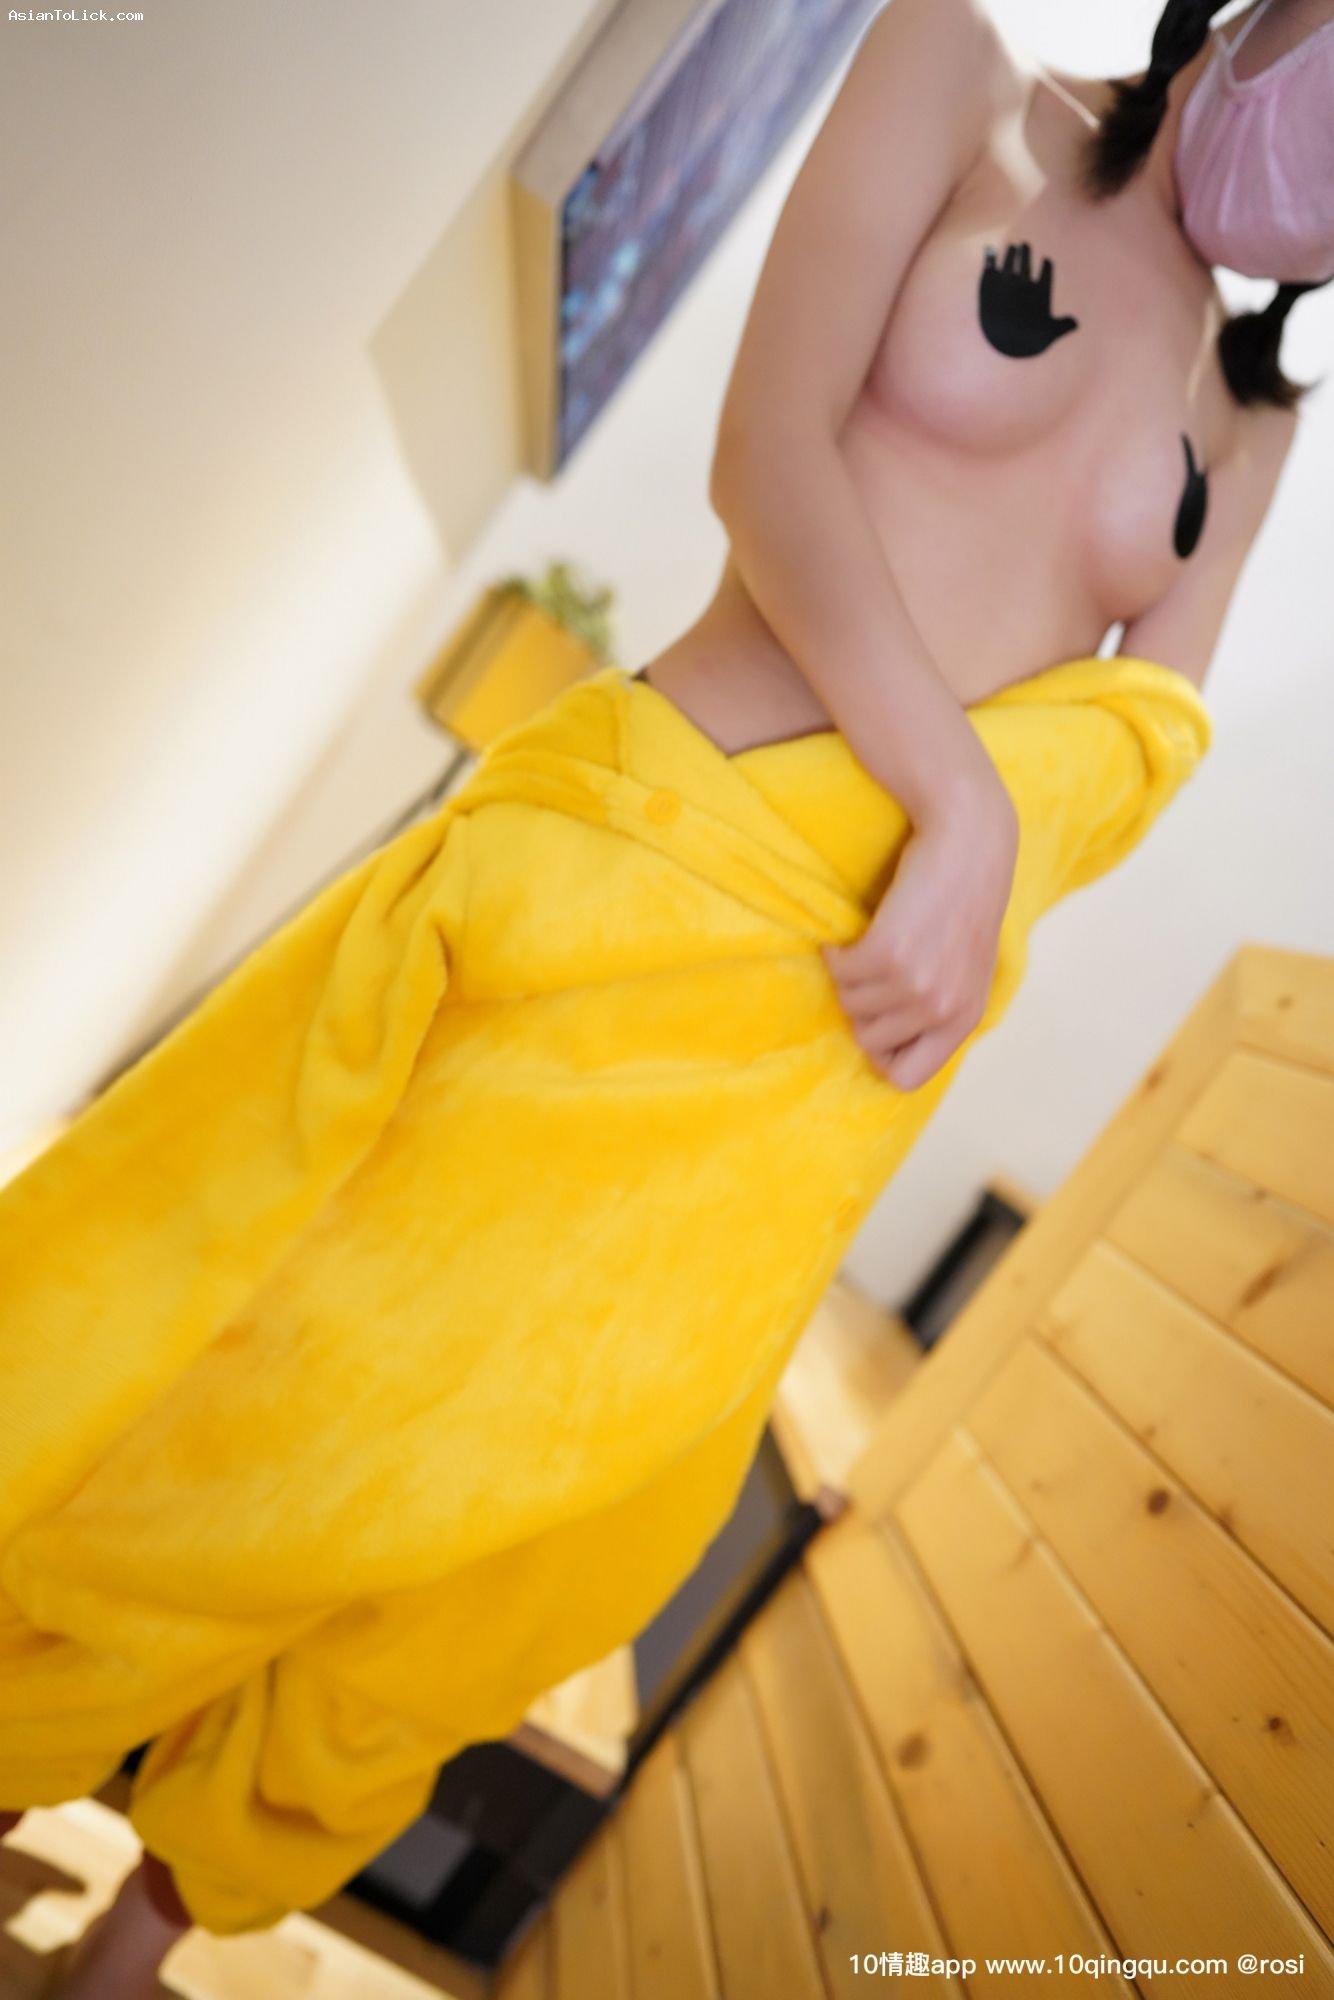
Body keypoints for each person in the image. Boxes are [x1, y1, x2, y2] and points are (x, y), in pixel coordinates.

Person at [1, 0, 1328, 1991]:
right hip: (623, 886)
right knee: (250, 1390)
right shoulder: (957, 71)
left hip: (821, 1058)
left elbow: (1142, 746)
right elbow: (765, 451)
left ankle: (145, 1933)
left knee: (516, 1553)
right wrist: (958, 796)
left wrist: (972, 851)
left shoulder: (1253, 422)